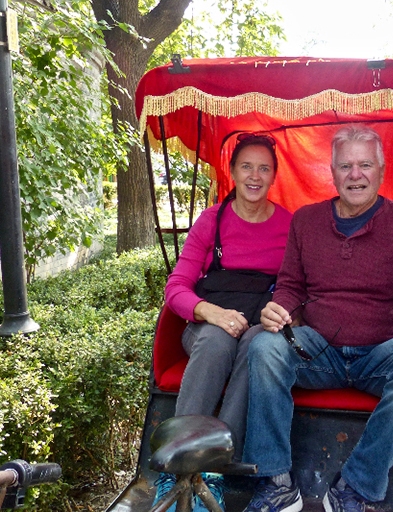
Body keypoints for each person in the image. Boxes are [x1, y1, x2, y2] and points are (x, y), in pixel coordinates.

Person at [241, 124, 393, 512]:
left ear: (381, 171)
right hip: (319, 351)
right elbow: (289, 284)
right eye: (346, 165)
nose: (355, 175)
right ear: (331, 172)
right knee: (265, 346)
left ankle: (356, 485)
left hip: (385, 353)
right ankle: (275, 479)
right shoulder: (306, 220)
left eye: (365, 164)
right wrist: (278, 307)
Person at [159, 133, 293, 511]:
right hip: (205, 326)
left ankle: (213, 469)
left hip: (256, 325)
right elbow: (177, 288)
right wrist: (212, 313)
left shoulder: (288, 225)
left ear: (274, 176)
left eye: (264, 168)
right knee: (218, 342)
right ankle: (177, 466)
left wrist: (277, 313)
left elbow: (294, 287)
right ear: (232, 172)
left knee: (259, 346)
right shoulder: (211, 221)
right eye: (246, 166)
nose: (255, 176)